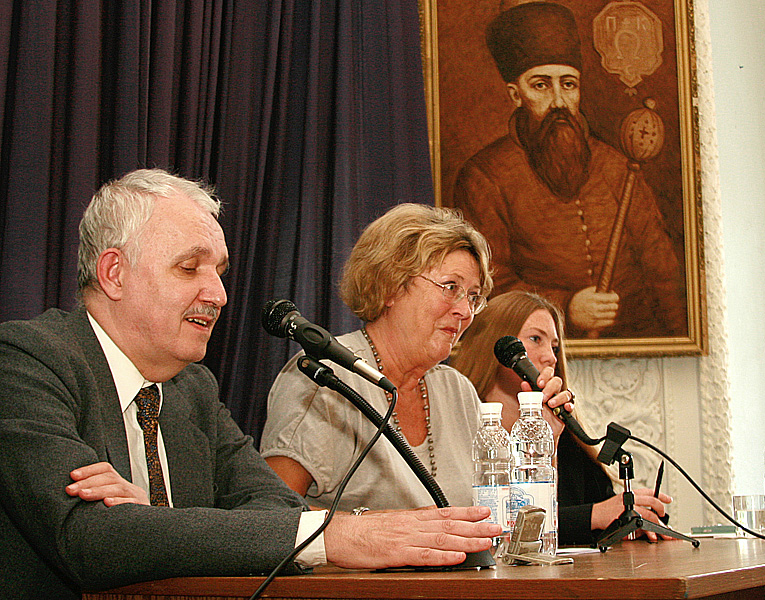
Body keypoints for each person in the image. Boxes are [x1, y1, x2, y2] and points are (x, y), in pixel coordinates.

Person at [0, 170, 501, 599]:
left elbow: (275, 506)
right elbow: (86, 539)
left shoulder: (192, 388)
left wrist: (149, 521)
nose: (218, 294)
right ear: (114, 273)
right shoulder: (27, 362)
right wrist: (339, 536)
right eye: (189, 268)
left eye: (219, 272)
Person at [260, 203, 571, 512]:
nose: (465, 311)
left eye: (473, 297)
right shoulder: (322, 378)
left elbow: (509, 520)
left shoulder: (458, 391)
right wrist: (391, 532)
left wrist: (543, 443)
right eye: (451, 287)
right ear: (391, 286)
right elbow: (273, 518)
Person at [451, 1, 686, 339]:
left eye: (569, 84)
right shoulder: (484, 176)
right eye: (541, 85)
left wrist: (678, 339)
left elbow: (662, 272)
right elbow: (486, 286)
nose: (559, 101)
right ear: (516, 94)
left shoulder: (617, 167)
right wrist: (564, 308)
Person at [450, 290, 672, 545]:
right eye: (535, 339)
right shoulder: (458, 427)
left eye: (555, 347)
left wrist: (635, 517)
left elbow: (603, 513)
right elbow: (497, 527)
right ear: (495, 346)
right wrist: (593, 516)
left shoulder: (567, 437)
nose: (551, 357)